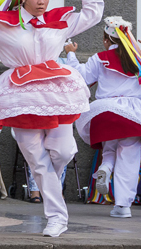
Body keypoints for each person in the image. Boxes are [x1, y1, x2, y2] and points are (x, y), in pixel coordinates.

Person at [0, 0, 104, 237]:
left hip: (56, 93)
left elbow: (93, 14)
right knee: (38, 161)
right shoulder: (3, 24)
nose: (42, 2)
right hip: (20, 95)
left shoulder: (59, 20)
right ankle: (57, 217)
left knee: (63, 152)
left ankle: (47, 180)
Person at [66, 17, 141, 218]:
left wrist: (71, 55)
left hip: (104, 111)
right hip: (132, 113)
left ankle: (105, 168)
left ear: (107, 40)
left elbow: (80, 77)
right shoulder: (138, 58)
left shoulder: (100, 58)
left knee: (109, 148)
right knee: (129, 156)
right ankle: (123, 206)